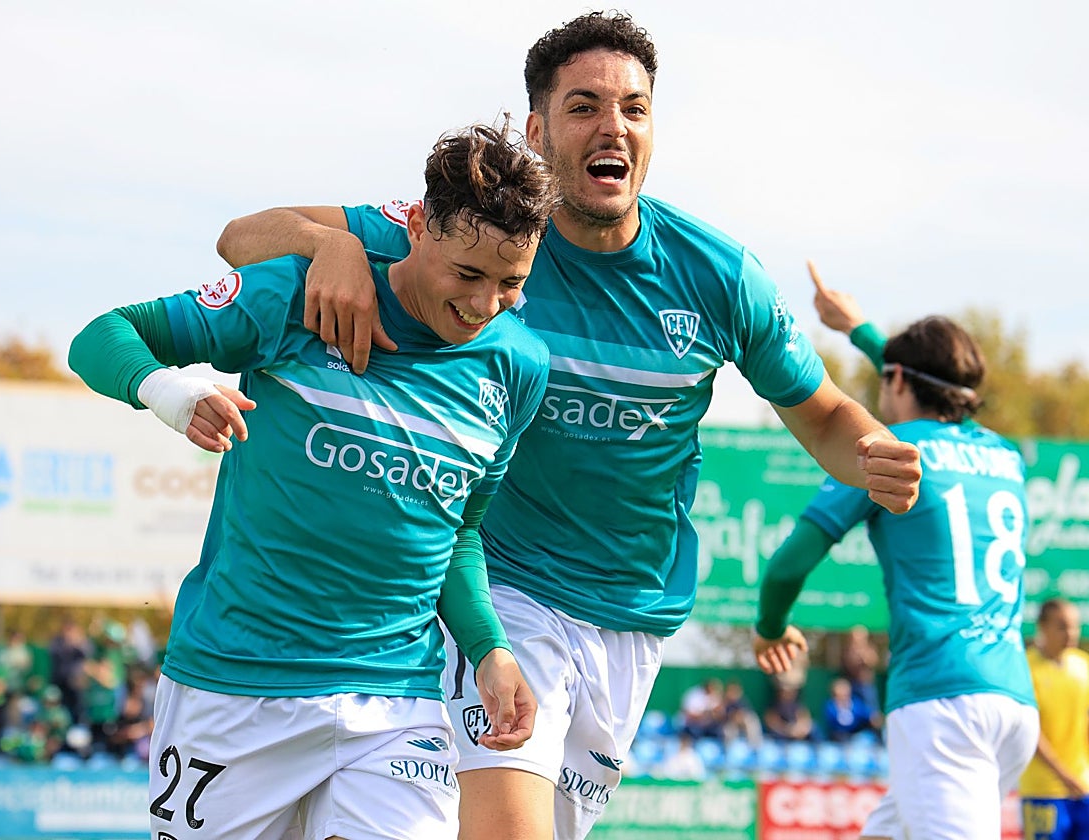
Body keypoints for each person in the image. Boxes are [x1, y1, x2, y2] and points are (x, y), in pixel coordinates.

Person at [214, 12, 923, 839]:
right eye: (584, 106)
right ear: (537, 128)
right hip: (502, 594)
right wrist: (320, 246)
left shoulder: (720, 275)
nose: (611, 126)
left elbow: (825, 414)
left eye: (633, 107)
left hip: (635, 621)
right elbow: (239, 237)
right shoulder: (485, 234)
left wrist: (875, 451)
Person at [69, 121, 556, 839]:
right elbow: (102, 336)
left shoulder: (519, 365)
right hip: (235, 686)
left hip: (397, 703)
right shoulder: (296, 296)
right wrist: (171, 394)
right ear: (417, 227)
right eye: (468, 274)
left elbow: (459, 532)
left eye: (511, 283)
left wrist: (489, 648)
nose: (485, 305)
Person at [753, 266, 1038, 840]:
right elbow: (937, 383)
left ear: (899, 378)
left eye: (885, 378)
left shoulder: (888, 455)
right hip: (1011, 705)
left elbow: (788, 564)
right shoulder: (1005, 456)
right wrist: (857, 328)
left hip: (943, 704)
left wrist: (770, 628)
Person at [1019, 598, 1089, 840]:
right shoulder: (1025, 668)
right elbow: (1031, 733)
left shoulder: (1082, 665)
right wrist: (1065, 776)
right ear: (1043, 627)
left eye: (1074, 626)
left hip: (1082, 787)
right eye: (1062, 626)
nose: (1070, 633)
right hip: (1043, 790)